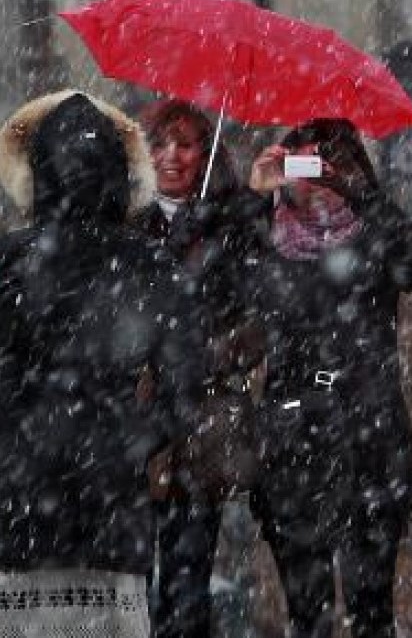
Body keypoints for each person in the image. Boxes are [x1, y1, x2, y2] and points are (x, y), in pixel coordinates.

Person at [0, 91, 205, 637]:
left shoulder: (8, 261)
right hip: (112, 497)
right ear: (120, 173)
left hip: (17, 498)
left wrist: (17, 434)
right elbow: (186, 386)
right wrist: (135, 438)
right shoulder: (148, 265)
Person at [239, 118, 412, 638]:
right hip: (292, 439)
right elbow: (222, 285)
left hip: (370, 437)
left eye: (329, 162)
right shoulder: (268, 236)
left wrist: (354, 191)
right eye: (303, 162)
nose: (314, 175)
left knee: (372, 610)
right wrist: (253, 196)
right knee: (307, 615)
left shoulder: (373, 238)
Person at [133, 99, 266, 638]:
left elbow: (258, 321)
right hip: (135, 428)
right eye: (160, 143)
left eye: (185, 144)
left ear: (205, 152)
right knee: (132, 583)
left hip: (201, 427)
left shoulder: (231, 226)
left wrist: (206, 350)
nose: (171, 156)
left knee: (188, 588)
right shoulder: (125, 219)